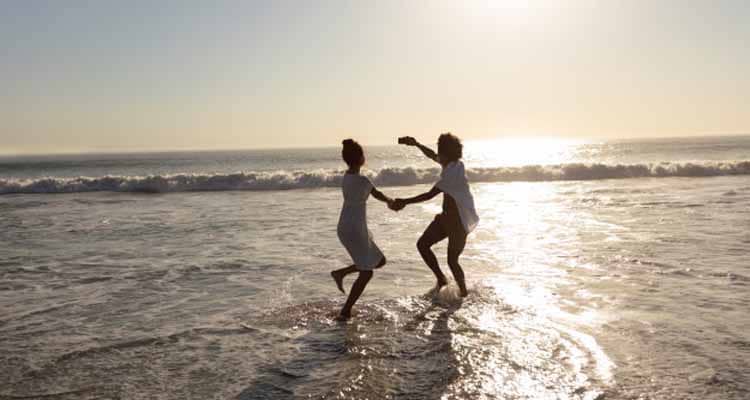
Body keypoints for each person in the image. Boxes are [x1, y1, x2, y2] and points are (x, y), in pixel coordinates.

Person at [391, 133, 479, 297]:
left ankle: (464, 295)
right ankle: (441, 279)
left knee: (452, 261)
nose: (438, 155)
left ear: (447, 154)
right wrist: (417, 144)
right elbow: (433, 156)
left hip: (459, 222)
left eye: (441, 152)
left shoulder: (452, 174)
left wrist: (404, 201)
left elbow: (429, 195)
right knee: (422, 245)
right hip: (446, 218)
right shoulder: (453, 164)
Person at [331, 139, 393, 320]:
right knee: (367, 272)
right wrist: (392, 202)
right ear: (360, 158)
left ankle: (341, 273)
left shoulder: (347, 177)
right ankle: (345, 311)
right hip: (355, 229)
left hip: (347, 226)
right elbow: (378, 195)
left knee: (379, 261)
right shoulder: (362, 180)